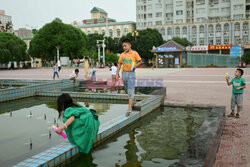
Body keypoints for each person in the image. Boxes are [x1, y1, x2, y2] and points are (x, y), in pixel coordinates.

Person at [116, 38, 142, 116]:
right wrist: (117, 73)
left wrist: (135, 66)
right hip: (124, 73)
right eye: (123, 46)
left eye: (125, 46)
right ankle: (133, 99)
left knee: (130, 89)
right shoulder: (122, 55)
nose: (124, 47)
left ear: (130, 45)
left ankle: (129, 108)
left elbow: (140, 61)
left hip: (131, 73)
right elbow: (119, 64)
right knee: (126, 88)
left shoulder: (134, 53)